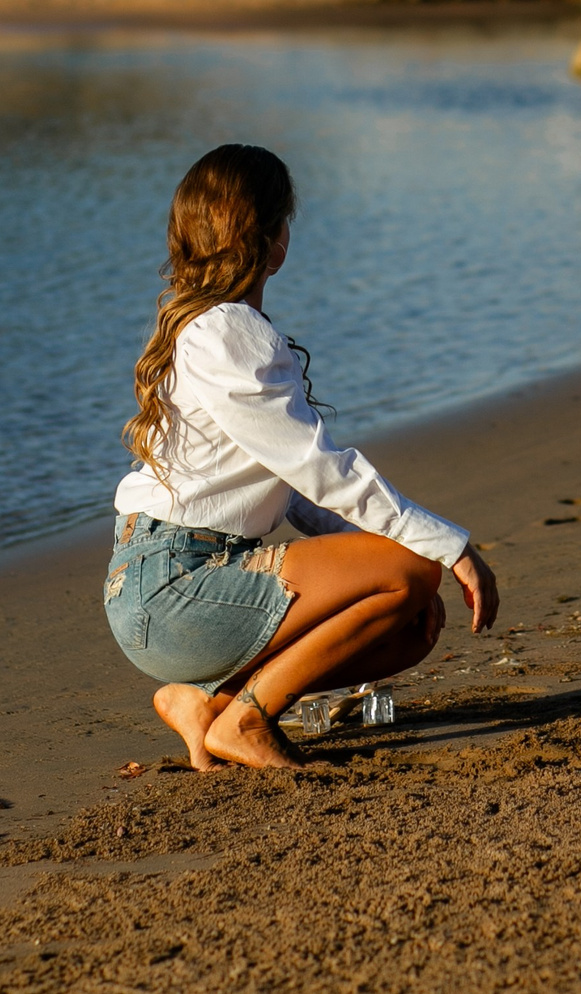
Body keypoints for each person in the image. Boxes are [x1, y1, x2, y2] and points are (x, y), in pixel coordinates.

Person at [104, 143, 498, 770]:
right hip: (177, 586)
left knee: (413, 617)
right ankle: (248, 720)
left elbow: (301, 489)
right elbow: (321, 469)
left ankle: (208, 705)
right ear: (274, 240)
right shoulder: (230, 332)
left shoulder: (207, 327)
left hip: (170, 582)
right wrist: (446, 546)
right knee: (413, 573)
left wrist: (402, 553)